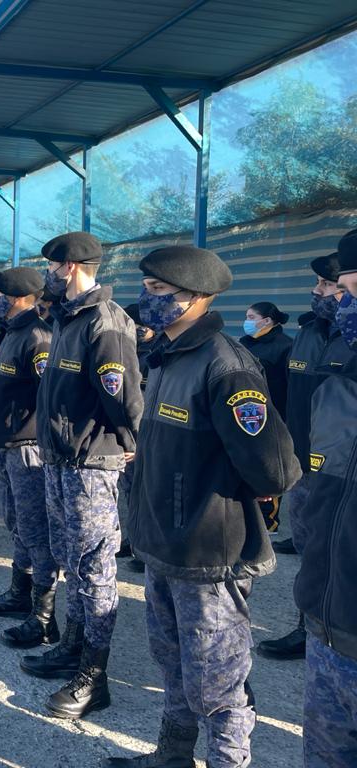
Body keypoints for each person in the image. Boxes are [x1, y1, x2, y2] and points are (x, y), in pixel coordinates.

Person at [104, 245, 301, 768]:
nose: (145, 299)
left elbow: (275, 469)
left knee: (217, 682)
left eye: (157, 290)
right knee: (173, 663)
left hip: (209, 553)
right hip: (163, 544)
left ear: (195, 297)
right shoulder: (168, 357)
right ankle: (171, 756)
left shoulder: (225, 365)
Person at [20, 231, 142, 721]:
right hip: (60, 459)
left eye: (51, 266)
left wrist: (129, 445)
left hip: (90, 463)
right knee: (72, 558)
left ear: (69, 267)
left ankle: (95, 674)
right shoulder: (68, 318)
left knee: (95, 567)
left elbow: (124, 398)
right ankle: (72, 643)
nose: (47, 274)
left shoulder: (104, 322)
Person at [259, 252, 355, 661]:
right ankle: (308, 628)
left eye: (328, 285)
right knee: (311, 554)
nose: (317, 291)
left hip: (340, 475)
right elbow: (284, 397)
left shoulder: (350, 342)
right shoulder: (308, 333)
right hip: (302, 468)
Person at [295, 229, 357, 768]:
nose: (342, 303)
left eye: (348, 292)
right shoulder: (342, 379)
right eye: (347, 291)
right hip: (328, 621)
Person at [0, 268, 58, 650]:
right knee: (17, 522)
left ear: (17, 298)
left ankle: (43, 618)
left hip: (28, 448)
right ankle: (19, 593)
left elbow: (49, 396)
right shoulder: (13, 332)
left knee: (35, 529)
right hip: (7, 444)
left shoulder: (38, 337)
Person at [117, 303, 163, 569]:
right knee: (131, 492)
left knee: (148, 494)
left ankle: (146, 551)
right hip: (128, 435)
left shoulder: (158, 353)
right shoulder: (126, 349)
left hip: (148, 435)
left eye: (141, 324)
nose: (137, 329)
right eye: (133, 324)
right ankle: (135, 540)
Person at [239, 301, 292, 533]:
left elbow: (290, 385)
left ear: (267, 321)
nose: (247, 321)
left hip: (273, 415)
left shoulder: (285, 346)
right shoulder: (244, 343)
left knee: (269, 466)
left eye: (251, 317)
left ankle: (269, 522)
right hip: (245, 412)